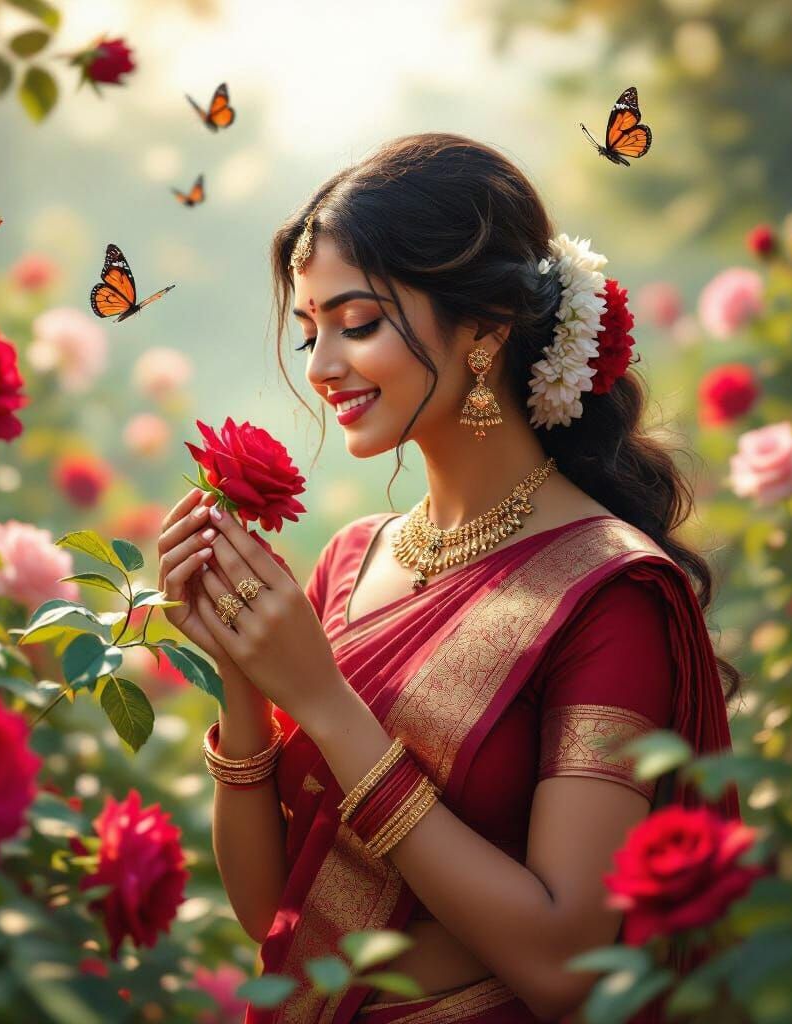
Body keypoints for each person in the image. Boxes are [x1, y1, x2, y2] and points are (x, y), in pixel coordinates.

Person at [156, 134, 741, 1024]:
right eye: (310, 332)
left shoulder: (610, 596)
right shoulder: (351, 562)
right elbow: (272, 915)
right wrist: (242, 679)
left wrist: (323, 703)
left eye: (356, 325)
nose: (319, 368)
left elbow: (566, 967)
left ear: (487, 327)